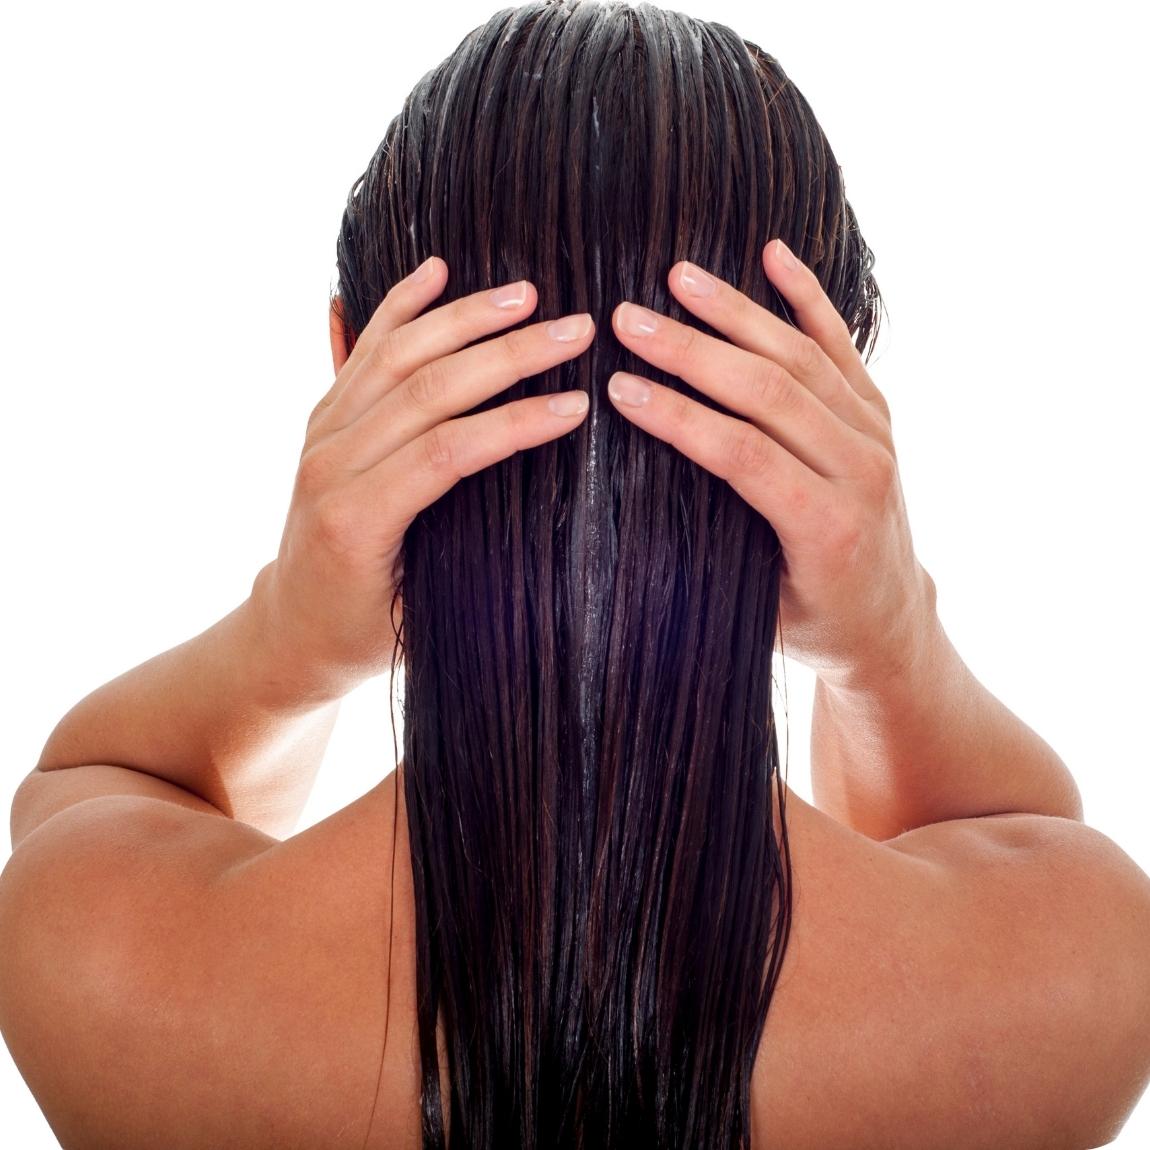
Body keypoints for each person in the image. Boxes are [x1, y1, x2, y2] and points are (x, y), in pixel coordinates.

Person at [1, 1, 1148, 1146]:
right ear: (822, 412)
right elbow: (1001, 846)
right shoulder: (1070, 983)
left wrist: (289, 632)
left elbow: (87, 785)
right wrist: (888, 634)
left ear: (353, 365)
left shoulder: (101, 965)